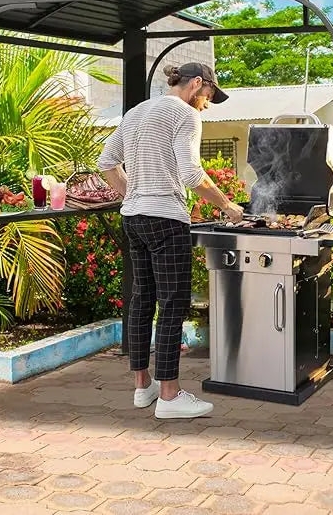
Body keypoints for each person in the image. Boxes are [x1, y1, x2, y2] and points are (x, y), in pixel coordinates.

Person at [98, 62, 244, 419]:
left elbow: (106, 161)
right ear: (196, 84)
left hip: (133, 218)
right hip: (165, 220)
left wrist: (134, 195)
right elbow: (191, 173)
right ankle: (169, 396)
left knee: (141, 302)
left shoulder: (137, 112)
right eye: (209, 95)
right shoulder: (184, 113)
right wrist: (227, 206)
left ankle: (142, 386)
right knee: (172, 305)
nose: (207, 103)